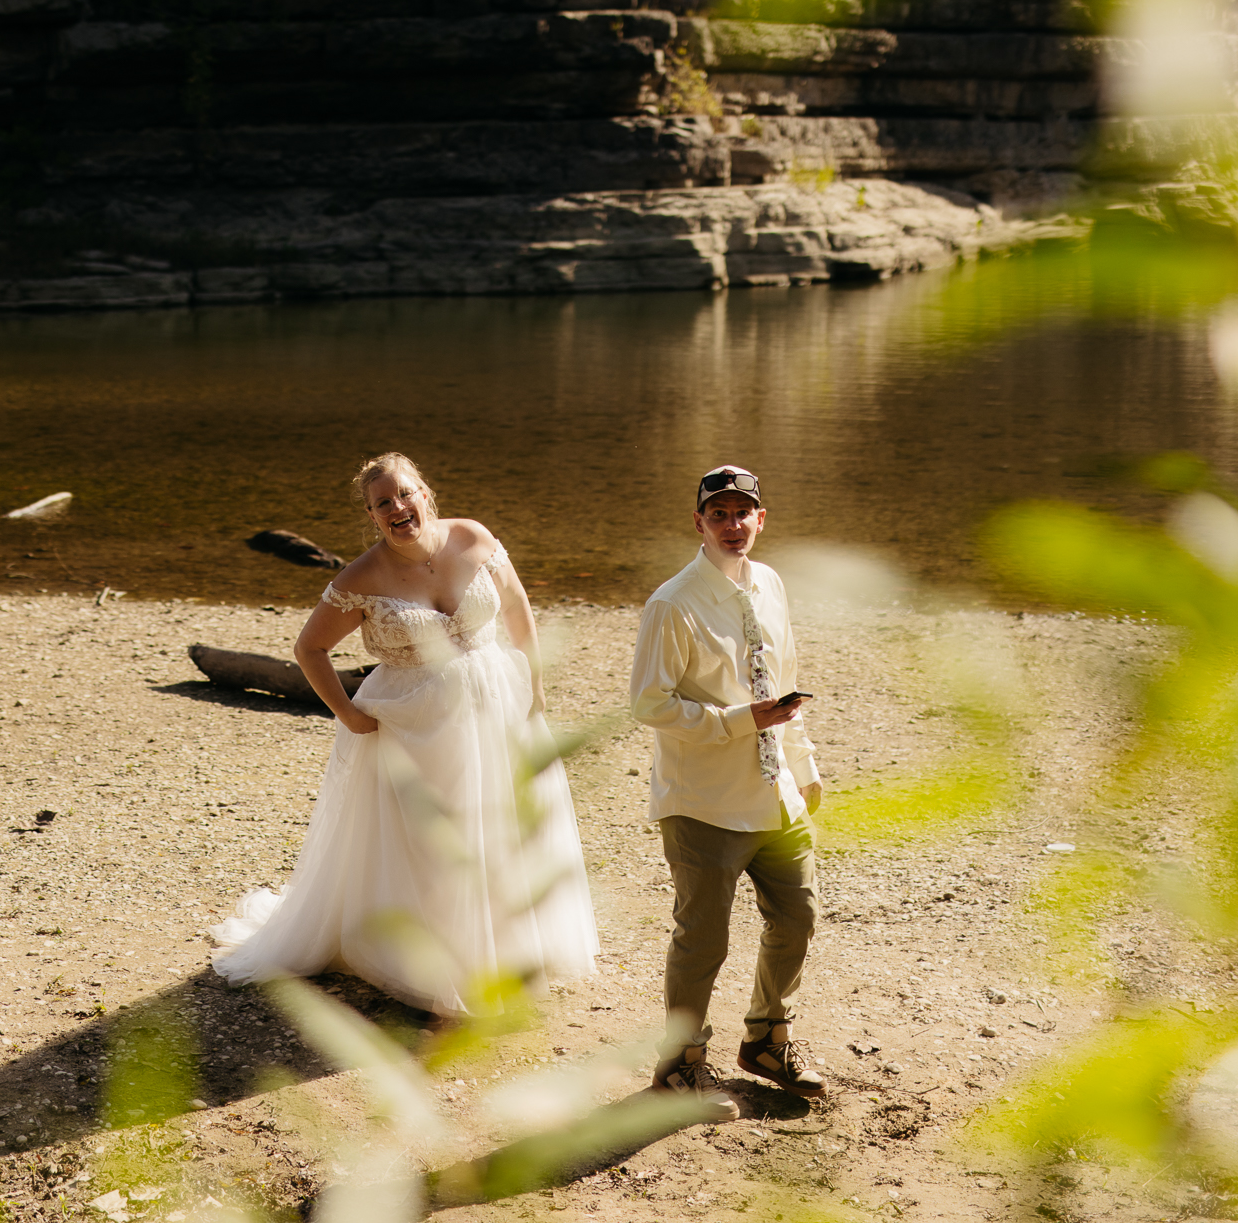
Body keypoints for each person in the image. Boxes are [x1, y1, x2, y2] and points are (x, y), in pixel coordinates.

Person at [209, 453, 599, 1015]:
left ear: (425, 493)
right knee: (434, 841)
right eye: (382, 503)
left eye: (405, 494)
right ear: (371, 516)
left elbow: (517, 607)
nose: (398, 508)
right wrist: (345, 712)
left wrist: (535, 684)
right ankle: (441, 962)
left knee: (502, 821)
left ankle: (508, 951)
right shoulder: (361, 578)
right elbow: (309, 649)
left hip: (496, 699)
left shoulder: (473, 537)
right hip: (416, 724)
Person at [628, 465, 825, 1116]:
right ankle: (678, 1068)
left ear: (761, 520)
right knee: (703, 942)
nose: (733, 524)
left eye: (744, 512)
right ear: (700, 522)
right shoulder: (671, 603)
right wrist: (739, 721)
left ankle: (768, 1039)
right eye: (720, 514)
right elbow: (649, 704)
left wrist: (804, 764)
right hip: (703, 802)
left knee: (797, 915)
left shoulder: (770, 583)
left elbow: (785, 677)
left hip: (773, 794)